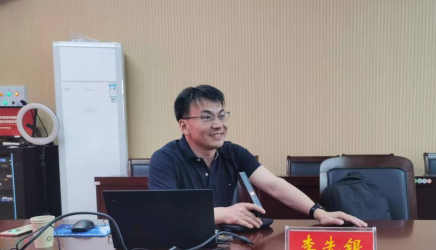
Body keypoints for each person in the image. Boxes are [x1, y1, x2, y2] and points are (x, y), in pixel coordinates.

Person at [148, 85, 367, 229]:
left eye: (221, 115)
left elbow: (274, 185)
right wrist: (222, 214)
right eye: (207, 117)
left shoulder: (233, 152)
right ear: (184, 125)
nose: (218, 124)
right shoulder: (164, 159)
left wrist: (318, 212)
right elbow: (167, 213)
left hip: (224, 244)